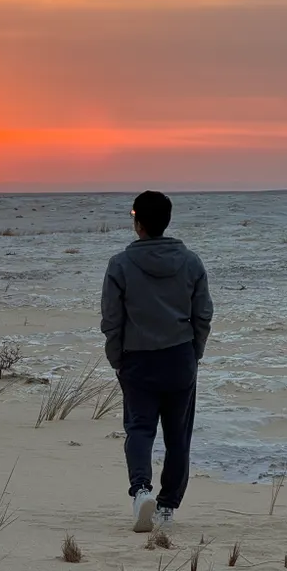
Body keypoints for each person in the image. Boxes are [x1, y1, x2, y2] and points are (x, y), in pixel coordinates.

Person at [100, 191, 213, 532]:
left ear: (138, 223)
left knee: (139, 428)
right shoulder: (190, 261)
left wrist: (116, 356)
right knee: (178, 435)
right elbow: (203, 313)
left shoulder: (120, 264)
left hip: (138, 358)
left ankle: (141, 490)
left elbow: (111, 319)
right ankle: (167, 507)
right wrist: (195, 351)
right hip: (179, 356)